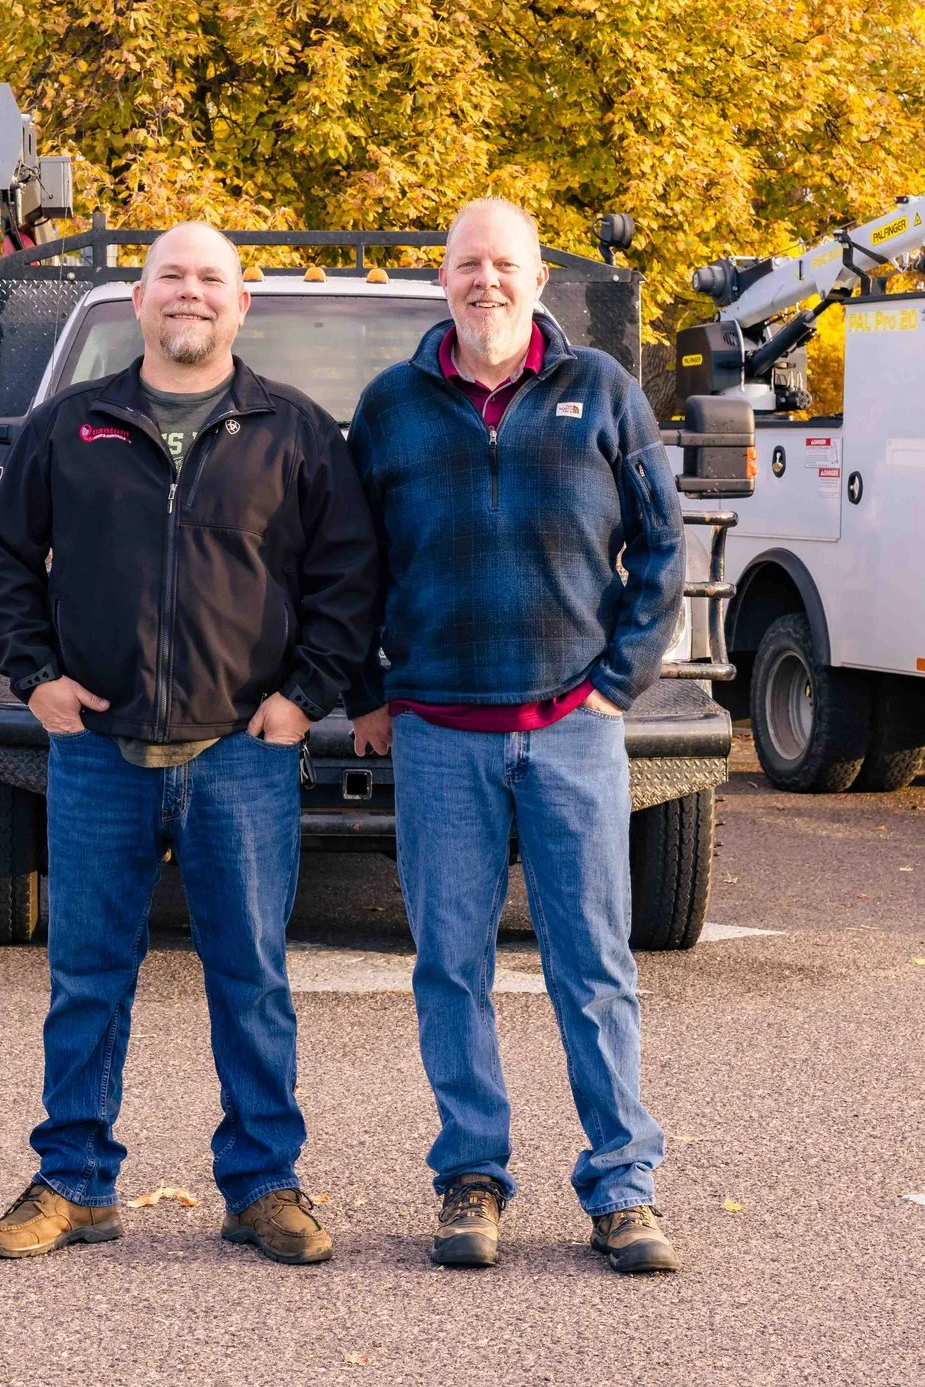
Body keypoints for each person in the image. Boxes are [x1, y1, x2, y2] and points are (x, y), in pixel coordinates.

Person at [0, 221, 378, 1265]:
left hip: (240, 751)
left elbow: (346, 578)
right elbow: (3, 547)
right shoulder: (72, 423)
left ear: (241, 306)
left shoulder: (295, 432)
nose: (188, 295)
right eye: (170, 278)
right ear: (140, 301)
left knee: (250, 976)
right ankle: (74, 1181)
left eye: (210, 280)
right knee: (87, 973)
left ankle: (263, 1184)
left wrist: (303, 696)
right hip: (100, 749)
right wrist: (34, 675)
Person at [347, 197, 686, 1275]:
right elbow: (349, 567)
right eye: (465, 264)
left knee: (592, 963)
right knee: (451, 965)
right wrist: (366, 691)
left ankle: (622, 1187)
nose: (484, 280)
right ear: (439, 279)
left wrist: (616, 684)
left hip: (570, 729)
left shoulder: (603, 395)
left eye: (504, 263)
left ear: (541, 279)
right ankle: (470, 1176)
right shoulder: (392, 407)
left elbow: (663, 549)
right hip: (439, 732)